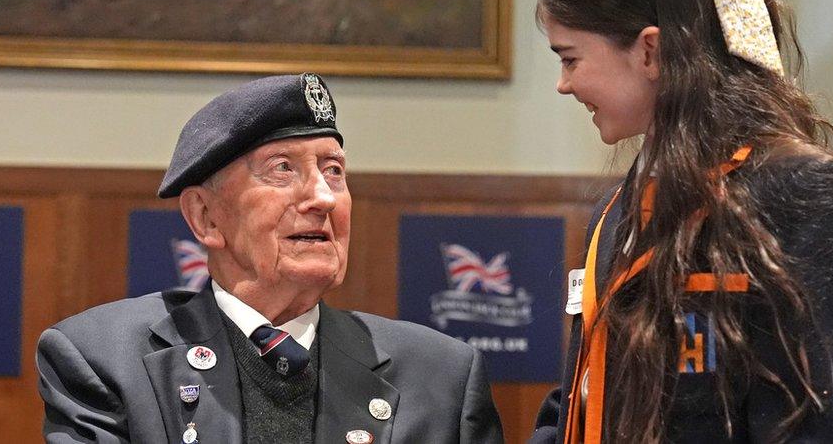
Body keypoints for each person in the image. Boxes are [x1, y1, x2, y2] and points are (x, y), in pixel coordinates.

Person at [529, 0, 833, 443]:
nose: (564, 85)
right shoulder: (616, 212)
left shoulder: (805, 194)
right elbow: (583, 403)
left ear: (650, 51)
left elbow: (819, 428)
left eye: (570, 59)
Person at [37, 74, 504, 443]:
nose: (322, 197)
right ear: (205, 217)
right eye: (283, 169)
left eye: (334, 171)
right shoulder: (103, 360)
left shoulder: (441, 377)